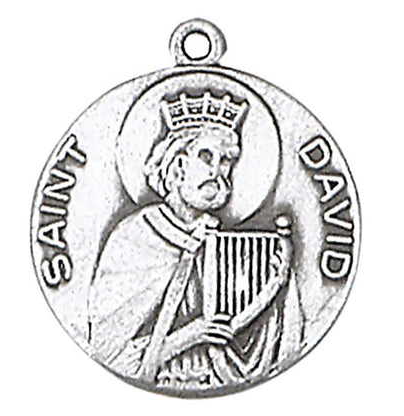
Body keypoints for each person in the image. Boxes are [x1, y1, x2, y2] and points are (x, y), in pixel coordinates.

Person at [88, 92, 303, 391]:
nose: (217, 172)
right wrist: (190, 335)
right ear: (177, 166)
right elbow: (108, 355)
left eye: (226, 161)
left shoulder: (228, 247)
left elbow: (275, 346)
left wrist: (277, 283)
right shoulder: (135, 238)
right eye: (206, 157)